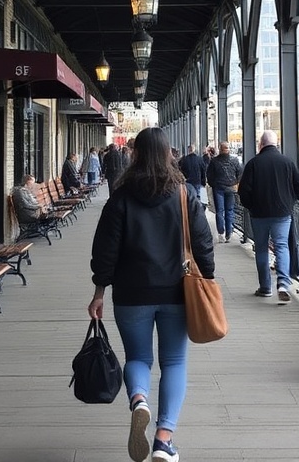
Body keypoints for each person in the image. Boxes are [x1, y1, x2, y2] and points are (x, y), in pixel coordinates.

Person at [88, 127, 214, 462]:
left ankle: (139, 400)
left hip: (131, 294)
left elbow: (104, 250)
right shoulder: (184, 195)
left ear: (136, 154)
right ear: (168, 154)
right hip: (177, 291)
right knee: (173, 361)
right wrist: (208, 279)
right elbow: (203, 244)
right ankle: (163, 440)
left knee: (138, 358)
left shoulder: (121, 197)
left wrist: (99, 290)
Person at [237, 130, 299, 305]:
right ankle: (283, 284)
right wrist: (290, 201)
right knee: (282, 246)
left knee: (261, 248)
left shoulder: (253, 164)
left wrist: (250, 205)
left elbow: (243, 191)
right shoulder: (287, 162)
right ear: (276, 144)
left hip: (259, 214)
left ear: (261, 144)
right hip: (282, 213)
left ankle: (265, 287)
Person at [206, 141, 242, 243]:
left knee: (219, 211)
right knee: (229, 211)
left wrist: (213, 184)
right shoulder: (234, 160)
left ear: (220, 149)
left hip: (218, 188)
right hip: (230, 188)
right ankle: (228, 233)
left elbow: (209, 175)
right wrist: (235, 183)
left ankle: (221, 232)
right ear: (228, 149)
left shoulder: (214, 161)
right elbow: (239, 173)